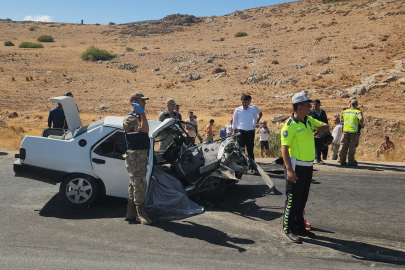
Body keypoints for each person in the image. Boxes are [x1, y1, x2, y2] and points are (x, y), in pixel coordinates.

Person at [281, 92, 329, 243]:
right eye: (308, 105)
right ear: (300, 107)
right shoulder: (290, 126)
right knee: (293, 199)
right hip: (296, 166)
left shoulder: (308, 119)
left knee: (302, 199)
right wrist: (289, 170)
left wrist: (323, 129)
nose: (311, 107)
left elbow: (325, 124)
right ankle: (289, 228)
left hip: (308, 166)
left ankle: (300, 226)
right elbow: (284, 148)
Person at [123, 92, 152, 225]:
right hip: (136, 156)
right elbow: (145, 129)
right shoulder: (130, 118)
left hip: (139, 155)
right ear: (134, 102)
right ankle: (140, 212)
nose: (144, 103)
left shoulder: (136, 116)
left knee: (134, 183)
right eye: (142, 101)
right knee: (139, 183)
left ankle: (131, 211)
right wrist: (143, 114)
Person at [232, 95, 258, 169]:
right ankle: (242, 166)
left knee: (250, 150)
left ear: (248, 102)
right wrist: (234, 133)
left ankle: (253, 167)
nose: (243, 104)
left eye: (245, 102)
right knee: (241, 150)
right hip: (241, 132)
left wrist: (252, 126)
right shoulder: (237, 110)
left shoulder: (252, 109)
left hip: (250, 132)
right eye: (242, 102)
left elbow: (255, 119)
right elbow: (234, 122)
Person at [339, 97, 364, 166]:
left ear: (350, 104)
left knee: (344, 146)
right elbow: (361, 118)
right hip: (354, 132)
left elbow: (341, 119)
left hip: (345, 131)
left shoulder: (345, 111)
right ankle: (351, 160)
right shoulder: (358, 112)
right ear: (357, 104)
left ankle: (342, 160)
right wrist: (361, 125)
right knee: (352, 147)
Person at [309, 99, 329, 164]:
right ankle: (310, 159)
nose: (314, 106)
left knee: (320, 145)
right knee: (311, 146)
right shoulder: (310, 112)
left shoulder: (323, 112)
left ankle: (318, 159)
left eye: (316, 104)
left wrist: (326, 131)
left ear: (319, 105)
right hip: (312, 132)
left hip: (321, 132)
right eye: (313, 104)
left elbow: (326, 122)